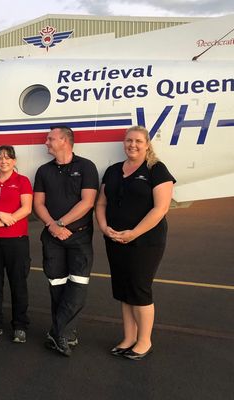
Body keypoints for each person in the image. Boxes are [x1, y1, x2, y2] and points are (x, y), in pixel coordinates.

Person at [96, 126, 175, 361]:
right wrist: (104, 227)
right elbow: (101, 203)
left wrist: (135, 233)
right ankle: (129, 338)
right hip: (115, 239)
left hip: (146, 241)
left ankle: (144, 341)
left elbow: (161, 208)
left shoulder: (156, 170)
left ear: (147, 144)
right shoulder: (112, 171)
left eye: (138, 141)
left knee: (139, 289)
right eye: (129, 140)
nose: (133, 145)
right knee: (124, 290)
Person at [33, 126, 99, 357]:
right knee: (57, 286)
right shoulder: (43, 171)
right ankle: (65, 334)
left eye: (50, 138)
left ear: (65, 140)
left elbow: (87, 202)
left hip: (79, 238)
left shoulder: (86, 167)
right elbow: (38, 204)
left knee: (77, 287)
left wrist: (60, 224)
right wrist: (53, 226)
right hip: (52, 238)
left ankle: (57, 332)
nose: (46, 142)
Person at [0, 145, 33, 343]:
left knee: (18, 283)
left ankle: (20, 325)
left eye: (7, 158)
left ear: (14, 161)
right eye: (0, 158)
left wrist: (3, 222)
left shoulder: (22, 181)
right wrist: (0, 214)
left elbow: (26, 208)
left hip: (16, 240)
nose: (3, 161)